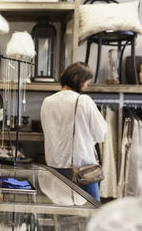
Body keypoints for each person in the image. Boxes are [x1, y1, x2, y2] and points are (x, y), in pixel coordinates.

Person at [40, 62, 107, 201]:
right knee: (90, 211)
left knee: (62, 213)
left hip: (54, 167)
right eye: (87, 81)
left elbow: (47, 131)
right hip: (81, 170)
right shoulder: (83, 100)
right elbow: (101, 134)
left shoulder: (47, 101)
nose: (87, 85)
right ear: (79, 79)